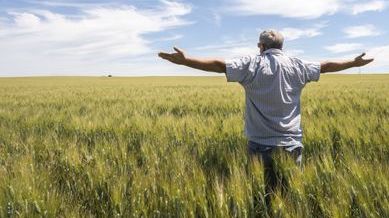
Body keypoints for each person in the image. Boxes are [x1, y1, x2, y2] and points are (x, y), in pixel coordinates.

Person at [158, 29, 374, 206]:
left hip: (259, 145)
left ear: (261, 47)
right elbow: (326, 66)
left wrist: (186, 61)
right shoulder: (298, 65)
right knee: (289, 200)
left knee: (260, 197)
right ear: (282, 47)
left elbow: (219, 65)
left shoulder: (252, 64)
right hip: (291, 145)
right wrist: (353, 63)